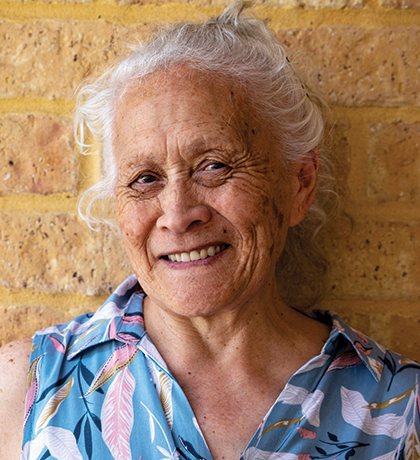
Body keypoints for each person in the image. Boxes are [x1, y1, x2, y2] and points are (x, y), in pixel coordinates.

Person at [1, 3, 419, 460]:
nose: (178, 214)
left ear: (300, 183)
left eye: (214, 166)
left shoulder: (401, 410)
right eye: (145, 178)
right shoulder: (25, 392)